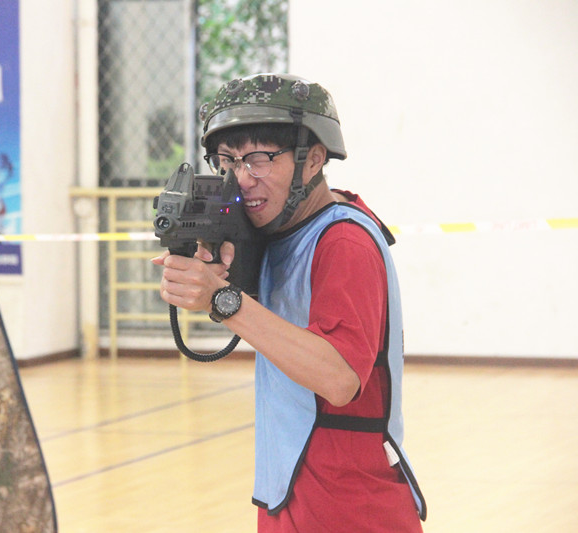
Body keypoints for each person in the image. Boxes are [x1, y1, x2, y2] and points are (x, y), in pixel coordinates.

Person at [152, 73, 426, 532]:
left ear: (313, 159)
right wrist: (215, 274)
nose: (242, 178)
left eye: (260, 159)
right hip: (290, 491)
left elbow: (338, 379)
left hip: (348, 506)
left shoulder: (343, 242)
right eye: (228, 161)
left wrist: (222, 298)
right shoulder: (282, 233)